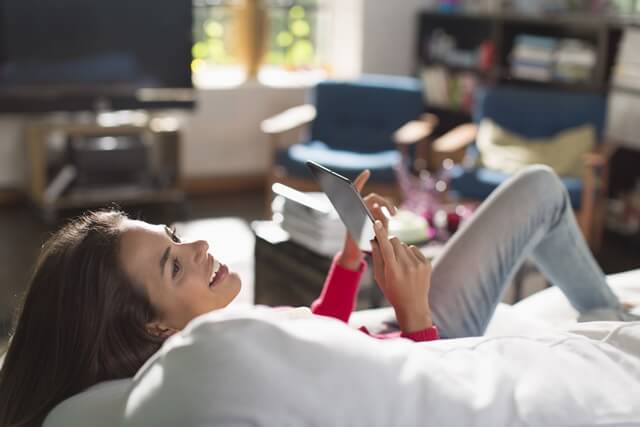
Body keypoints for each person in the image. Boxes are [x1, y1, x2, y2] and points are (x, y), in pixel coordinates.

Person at [0, 165, 635, 427]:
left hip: (398, 324)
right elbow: (424, 391)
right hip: (433, 338)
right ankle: (607, 315)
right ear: (154, 328)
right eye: (173, 265)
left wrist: (352, 252)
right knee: (541, 190)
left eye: (171, 235)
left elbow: (319, 330)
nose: (196, 246)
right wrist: (414, 314)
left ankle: (603, 309)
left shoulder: (227, 345)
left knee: (537, 189)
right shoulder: (217, 365)